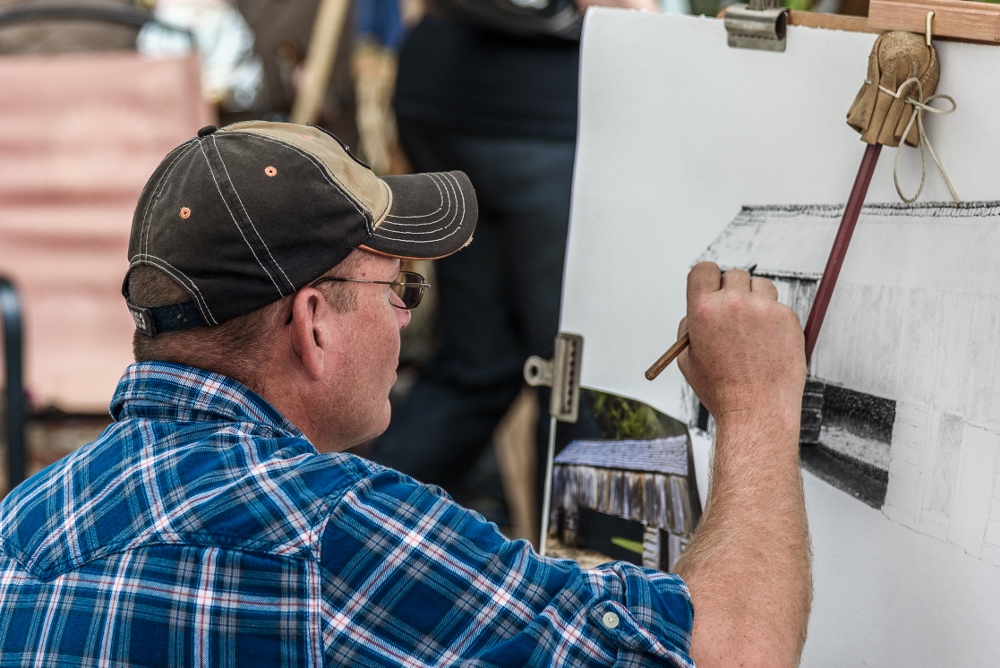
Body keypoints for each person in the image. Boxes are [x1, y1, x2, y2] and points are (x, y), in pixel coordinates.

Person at [0, 121, 810, 667]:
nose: (404, 316)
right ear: (313, 325)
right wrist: (757, 405)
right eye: (398, 288)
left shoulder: (24, 521)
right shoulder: (335, 529)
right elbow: (724, 655)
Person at [367, 0, 658, 509]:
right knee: (576, 377)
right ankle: (572, 559)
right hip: (540, 114)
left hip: (443, 92)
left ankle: (351, 525)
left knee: (480, 363)